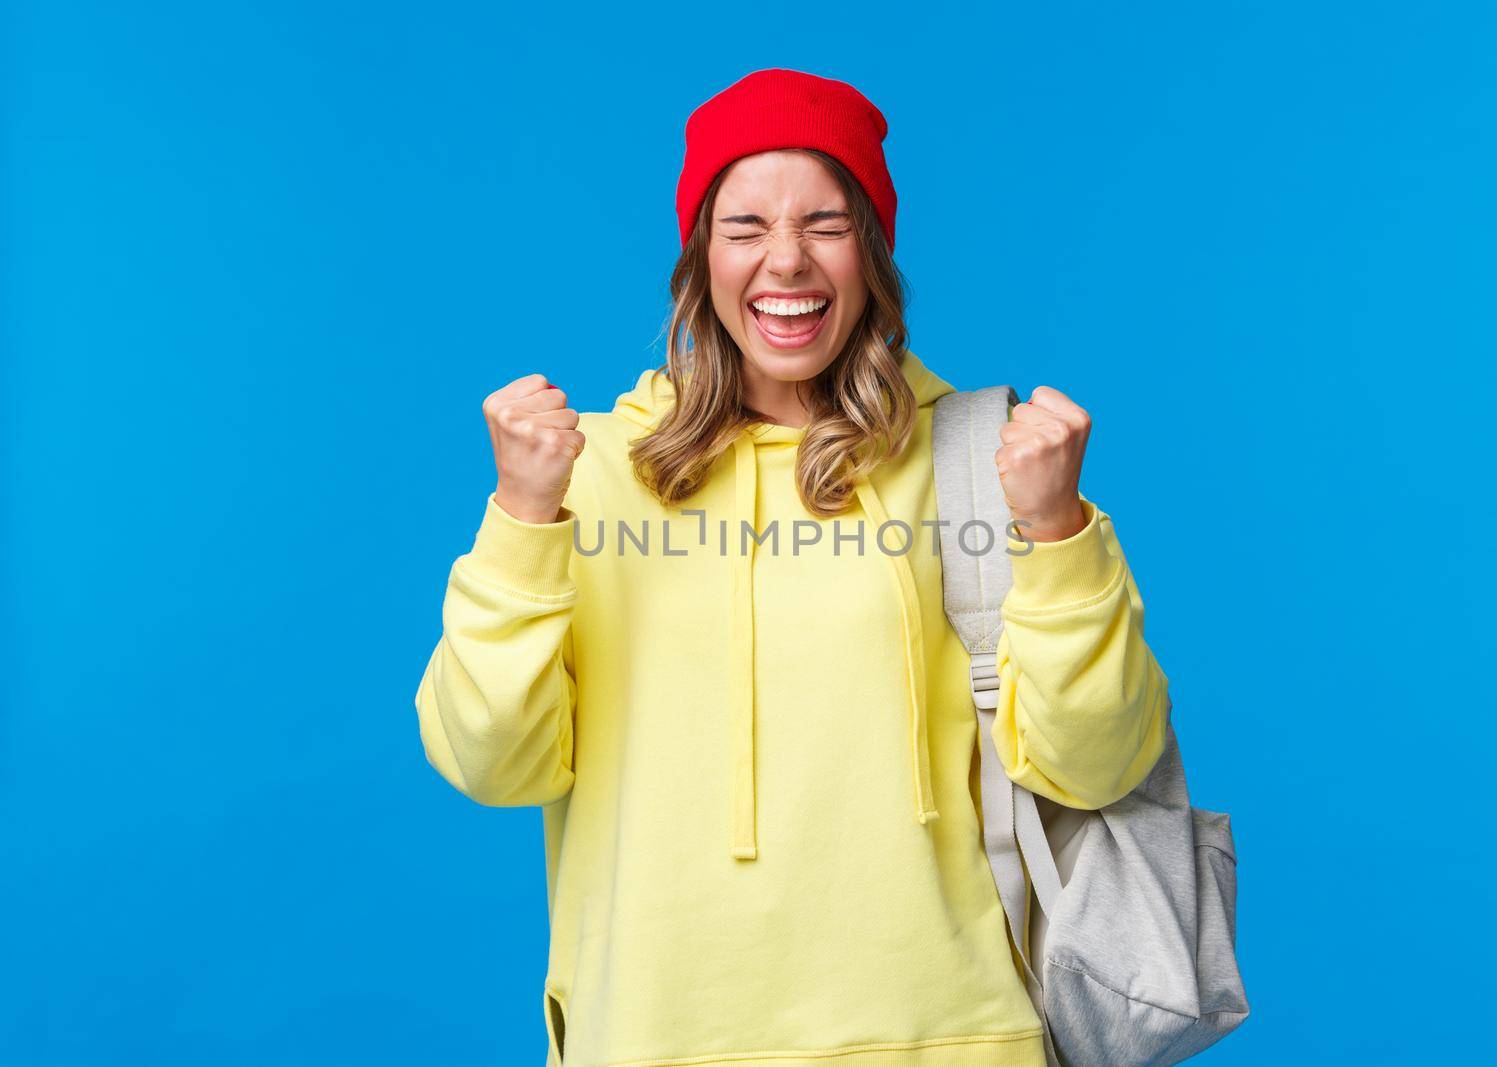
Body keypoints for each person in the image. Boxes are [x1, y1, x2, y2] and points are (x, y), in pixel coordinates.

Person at [414, 67, 1170, 1067]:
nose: (786, 262)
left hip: (950, 1038)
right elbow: (490, 762)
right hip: (651, 1038)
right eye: (744, 226)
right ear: (700, 257)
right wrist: (520, 516)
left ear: (871, 247)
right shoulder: (583, 479)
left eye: (824, 222)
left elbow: (1096, 762)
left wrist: (1060, 533)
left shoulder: (986, 468)